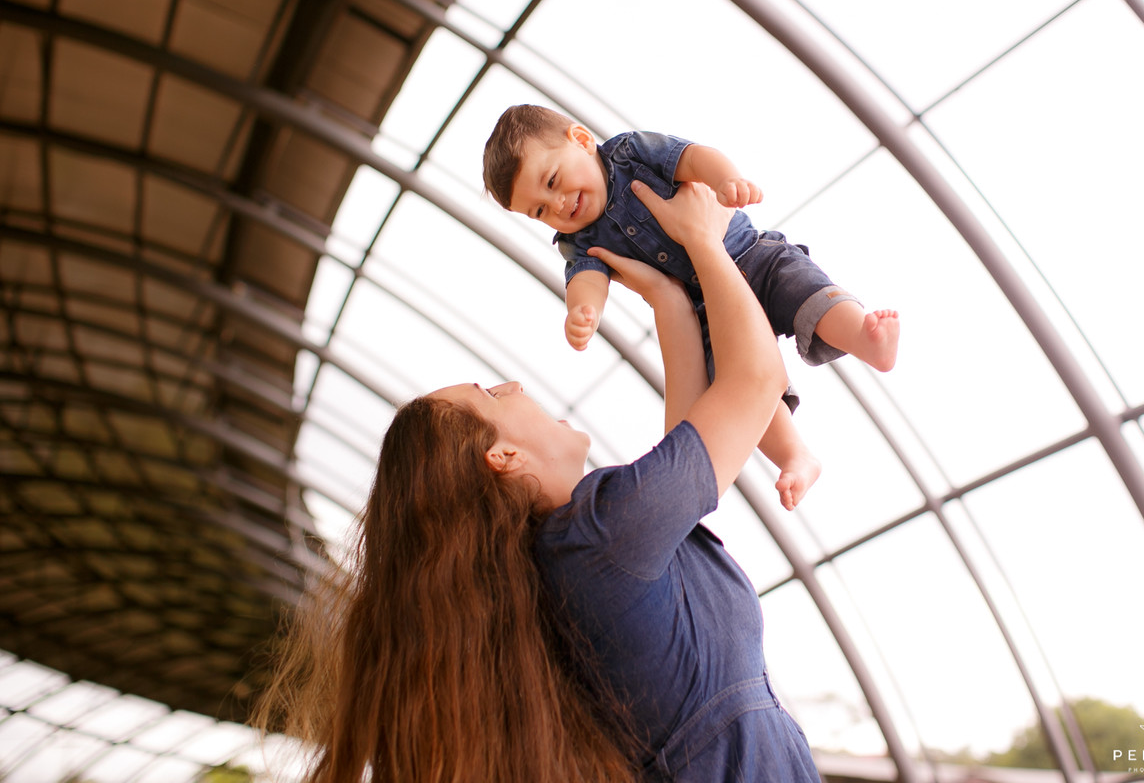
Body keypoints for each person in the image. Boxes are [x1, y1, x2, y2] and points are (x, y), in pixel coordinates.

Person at [253, 181, 823, 782]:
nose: (518, 387)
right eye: (495, 394)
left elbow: (693, 441)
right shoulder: (599, 540)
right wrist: (706, 245)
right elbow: (754, 383)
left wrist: (668, 297)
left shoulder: (577, 553)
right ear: (500, 456)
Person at [483, 103, 900, 509]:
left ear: (581, 139)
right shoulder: (577, 240)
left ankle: (865, 336)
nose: (556, 207)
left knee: (803, 290)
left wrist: (726, 180)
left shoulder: (631, 154)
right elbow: (586, 276)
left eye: (553, 181)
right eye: (539, 211)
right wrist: (583, 311)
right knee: (736, 382)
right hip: (704, 308)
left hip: (751, 255)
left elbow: (693, 158)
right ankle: (795, 455)